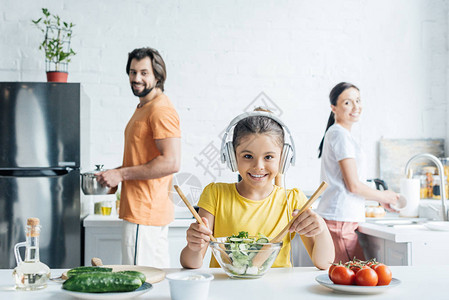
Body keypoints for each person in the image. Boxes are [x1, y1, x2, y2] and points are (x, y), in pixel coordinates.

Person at [180, 111, 334, 270]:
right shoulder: (215, 194)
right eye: (247, 156)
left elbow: (324, 263)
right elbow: (191, 263)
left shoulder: (293, 200)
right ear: (232, 158)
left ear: (283, 159)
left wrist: (321, 228)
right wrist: (194, 246)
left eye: (268, 157)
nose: (258, 166)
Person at [96, 47, 181, 268]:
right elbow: (143, 157)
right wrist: (113, 175)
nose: (136, 78)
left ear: (157, 75)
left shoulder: (160, 110)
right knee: (150, 281)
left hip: (145, 213)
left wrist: (121, 174)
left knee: (140, 281)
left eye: (144, 73)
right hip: (142, 212)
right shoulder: (144, 107)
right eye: (133, 72)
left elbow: (171, 161)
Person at [316, 82, 399, 263]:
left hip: (341, 218)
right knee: (352, 278)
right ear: (333, 108)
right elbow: (353, 185)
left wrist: (379, 198)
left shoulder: (341, 134)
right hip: (339, 220)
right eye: (347, 102)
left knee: (349, 277)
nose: (356, 107)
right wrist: (384, 196)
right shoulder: (339, 134)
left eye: (358, 100)